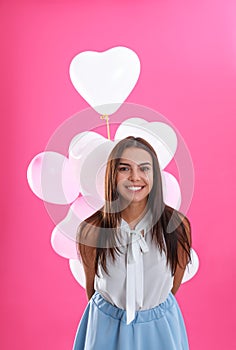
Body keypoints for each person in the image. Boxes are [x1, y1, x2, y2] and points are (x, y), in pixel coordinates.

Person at [73, 136, 191, 350]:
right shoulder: (91, 231)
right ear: (112, 175)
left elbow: (173, 285)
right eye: (125, 168)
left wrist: (148, 312)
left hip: (159, 330)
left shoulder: (177, 227)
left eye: (144, 168)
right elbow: (91, 290)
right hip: (106, 329)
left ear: (154, 175)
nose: (135, 177)